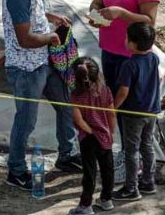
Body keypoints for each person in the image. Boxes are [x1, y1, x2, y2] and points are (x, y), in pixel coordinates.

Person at [3, 0, 82, 190]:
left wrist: (51, 17)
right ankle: (16, 171)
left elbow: (32, 12)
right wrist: (52, 37)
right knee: (26, 121)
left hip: (44, 62)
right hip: (25, 68)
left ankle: (67, 155)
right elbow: (25, 39)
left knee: (65, 104)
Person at [89, 0, 160, 99]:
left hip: (132, 53)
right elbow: (96, 3)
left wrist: (121, 13)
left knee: (129, 98)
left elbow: (149, 21)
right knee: (112, 93)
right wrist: (95, 16)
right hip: (108, 49)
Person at [112, 23, 161, 201]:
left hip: (133, 114)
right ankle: (148, 181)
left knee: (131, 150)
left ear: (133, 43)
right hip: (151, 111)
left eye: (127, 37)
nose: (125, 40)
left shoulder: (129, 65)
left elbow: (123, 92)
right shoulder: (154, 58)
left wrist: (113, 107)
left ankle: (131, 188)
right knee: (147, 145)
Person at [68, 57, 116, 215]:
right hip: (105, 135)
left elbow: (78, 120)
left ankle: (85, 205)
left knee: (90, 172)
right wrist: (110, 132)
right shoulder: (106, 91)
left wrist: (90, 131)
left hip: (88, 138)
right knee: (107, 169)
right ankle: (106, 199)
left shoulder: (76, 96)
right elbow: (111, 114)